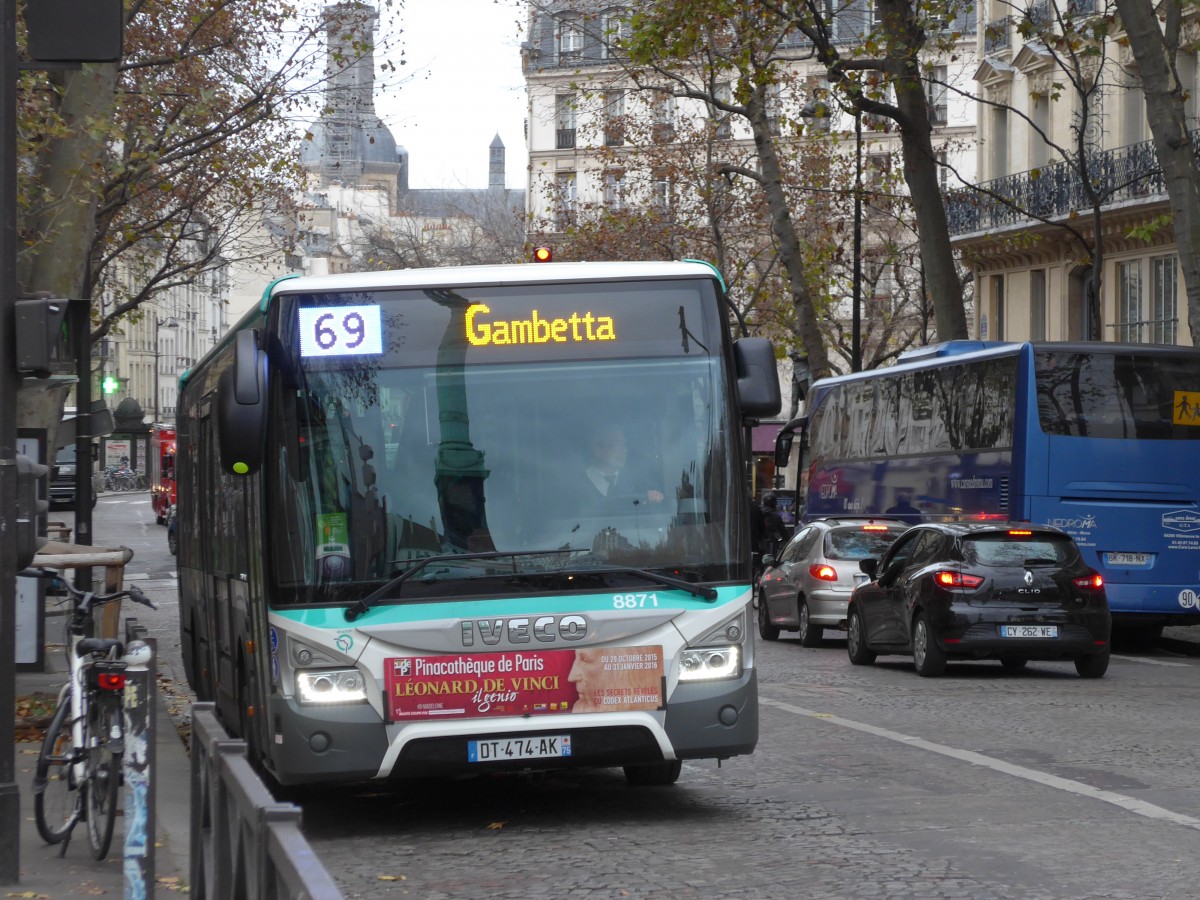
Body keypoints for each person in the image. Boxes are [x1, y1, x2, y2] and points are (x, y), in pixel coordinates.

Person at [581, 427, 663, 505]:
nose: (623, 451)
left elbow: (642, 507)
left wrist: (654, 500)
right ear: (597, 450)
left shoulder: (638, 483)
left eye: (623, 445)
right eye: (615, 445)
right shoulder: (578, 485)